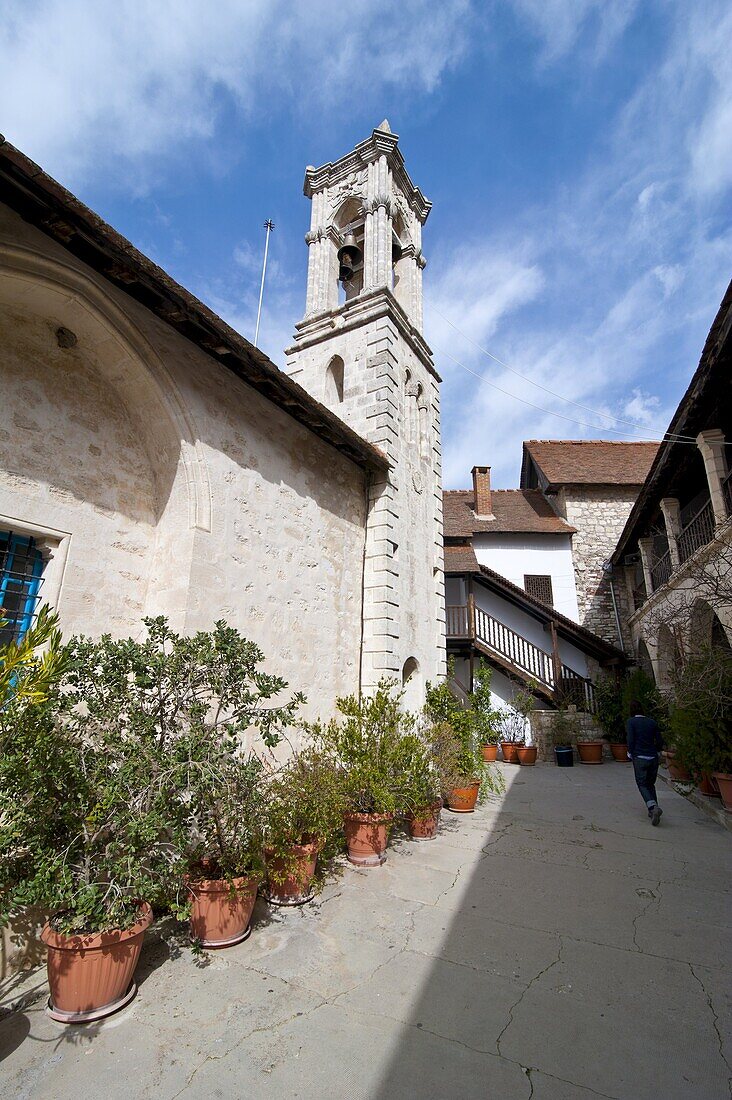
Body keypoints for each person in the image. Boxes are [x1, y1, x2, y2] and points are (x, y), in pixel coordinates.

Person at [626, 701, 665, 825]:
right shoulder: (651, 722)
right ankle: (653, 808)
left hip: (640, 756)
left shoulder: (631, 722)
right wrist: (658, 751)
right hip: (652, 756)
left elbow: (631, 739)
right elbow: (659, 740)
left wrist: (630, 752)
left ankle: (653, 807)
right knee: (650, 784)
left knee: (642, 783)